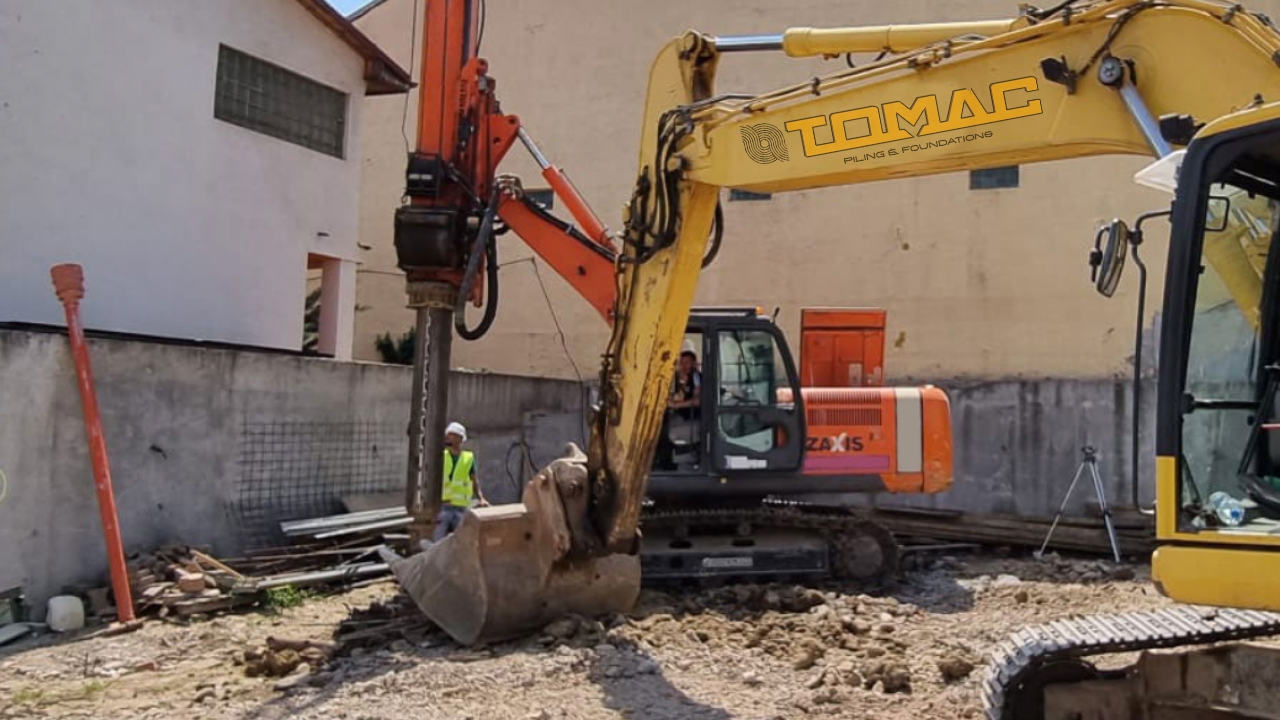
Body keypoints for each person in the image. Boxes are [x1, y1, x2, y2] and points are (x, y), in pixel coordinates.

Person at [434, 421, 488, 541]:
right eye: (448, 435)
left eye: (452, 435)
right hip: (445, 506)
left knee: (461, 540)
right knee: (438, 540)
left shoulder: (468, 458)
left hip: (461, 508)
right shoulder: (442, 456)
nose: (448, 437)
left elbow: (474, 480)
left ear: (460, 438)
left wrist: (481, 498)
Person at [656, 350, 702, 470]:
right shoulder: (677, 378)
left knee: (668, 433)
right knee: (658, 428)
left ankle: (666, 466)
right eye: (681, 363)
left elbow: (698, 401)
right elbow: (670, 395)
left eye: (687, 362)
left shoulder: (698, 378)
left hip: (696, 419)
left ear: (694, 364)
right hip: (681, 416)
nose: (684, 366)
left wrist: (676, 405)